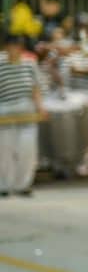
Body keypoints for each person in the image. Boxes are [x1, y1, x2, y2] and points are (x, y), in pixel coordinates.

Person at [0, 34, 47, 197]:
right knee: (5, 150)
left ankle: (23, 184)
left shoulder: (29, 64)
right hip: (4, 110)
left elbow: (36, 88)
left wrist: (40, 107)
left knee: (27, 149)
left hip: (27, 110)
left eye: (17, 46)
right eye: (11, 46)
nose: (14, 50)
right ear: (6, 48)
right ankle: (4, 185)